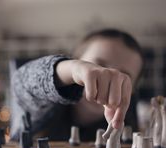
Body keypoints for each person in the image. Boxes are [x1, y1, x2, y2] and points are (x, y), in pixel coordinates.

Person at [10, 29, 143, 141]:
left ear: (133, 90)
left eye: (124, 76)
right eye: (98, 65)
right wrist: (71, 69)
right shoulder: (45, 106)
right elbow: (20, 82)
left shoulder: (129, 129)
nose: (107, 81)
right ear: (76, 59)